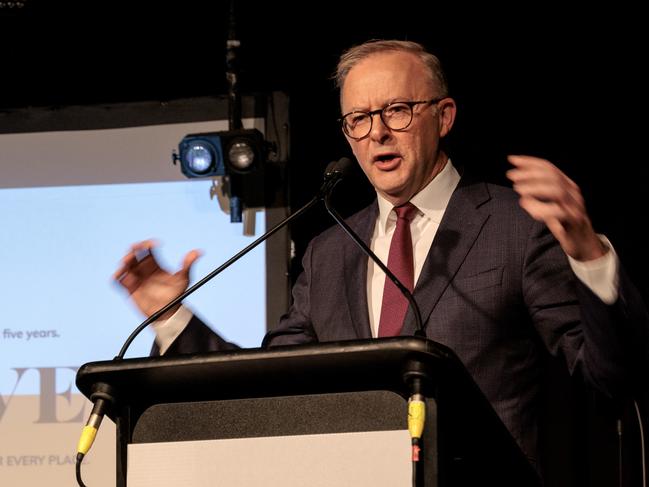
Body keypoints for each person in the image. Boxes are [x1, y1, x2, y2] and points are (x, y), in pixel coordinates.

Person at [114, 40, 648, 471]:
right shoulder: (329, 252)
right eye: (359, 119)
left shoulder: (514, 225)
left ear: (443, 116)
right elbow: (266, 386)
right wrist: (176, 319)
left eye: (396, 109)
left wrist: (589, 255)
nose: (378, 134)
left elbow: (612, 376)